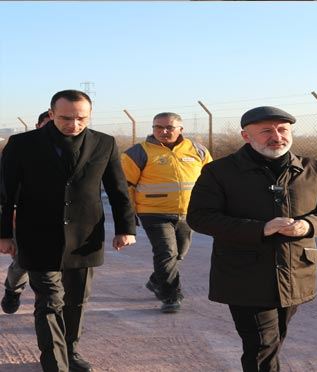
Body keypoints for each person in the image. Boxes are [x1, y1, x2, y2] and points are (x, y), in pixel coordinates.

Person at [187, 106, 317, 371]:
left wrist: (308, 225)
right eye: (266, 131)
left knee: (274, 339)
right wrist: (260, 229)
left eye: (282, 129)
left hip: (295, 271)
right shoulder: (219, 172)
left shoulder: (312, 169)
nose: (276, 136)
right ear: (246, 136)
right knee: (261, 344)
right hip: (244, 274)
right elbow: (199, 217)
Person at [0, 90, 136, 372]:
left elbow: (118, 188)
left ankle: (71, 351)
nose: (73, 124)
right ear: (51, 114)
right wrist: (3, 234)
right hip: (37, 235)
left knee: (77, 301)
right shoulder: (22, 144)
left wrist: (125, 228)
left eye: (80, 118)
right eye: (65, 118)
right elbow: (5, 193)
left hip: (85, 237)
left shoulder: (105, 143)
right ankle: (55, 364)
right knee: (49, 301)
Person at [121, 112, 211, 313]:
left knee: (179, 253)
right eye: (157, 127)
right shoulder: (137, 153)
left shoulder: (198, 150)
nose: (163, 131)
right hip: (153, 213)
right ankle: (170, 295)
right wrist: (128, 215)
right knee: (166, 252)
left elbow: (210, 181)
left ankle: (156, 280)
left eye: (169, 127)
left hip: (189, 213)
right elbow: (125, 186)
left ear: (180, 129)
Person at [1, 110, 51, 314]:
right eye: (47, 125)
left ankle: (49, 303)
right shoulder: (20, 148)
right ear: (38, 126)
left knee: (53, 266)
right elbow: (5, 186)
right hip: (20, 216)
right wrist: (9, 214)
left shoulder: (72, 151)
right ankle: (13, 290)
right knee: (23, 260)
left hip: (56, 219)